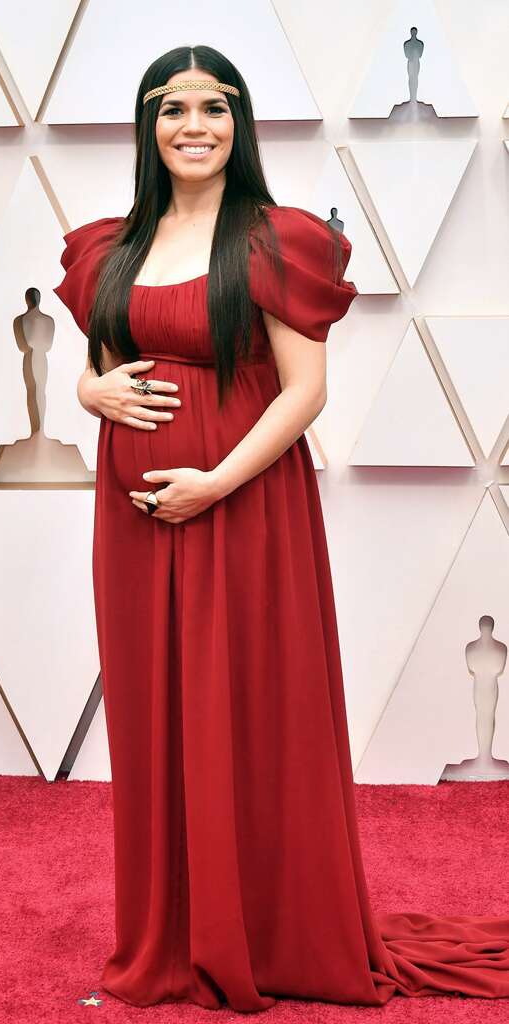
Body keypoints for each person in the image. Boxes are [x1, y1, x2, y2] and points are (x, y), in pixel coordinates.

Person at [53, 45, 509, 1014]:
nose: (194, 126)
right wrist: (92, 392)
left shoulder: (271, 241)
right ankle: (173, 936)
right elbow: (96, 364)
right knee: (155, 722)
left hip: (245, 511)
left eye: (214, 107)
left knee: (249, 714)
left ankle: (260, 928)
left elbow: (305, 391)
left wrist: (213, 482)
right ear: (147, 124)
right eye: (172, 108)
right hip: (132, 531)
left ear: (240, 122)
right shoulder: (111, 247)